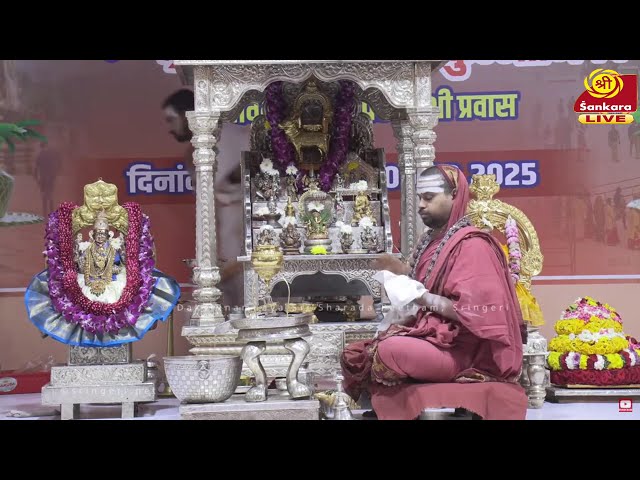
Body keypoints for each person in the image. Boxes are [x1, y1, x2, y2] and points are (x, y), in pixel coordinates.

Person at [340, 165, 527, 420]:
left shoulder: (473, 246)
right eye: (419, 198)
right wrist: (401, 273)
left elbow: (472, 314)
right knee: (353, 351)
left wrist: (420, 296)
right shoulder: (431, 240)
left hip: (463, 353)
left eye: (429, 198)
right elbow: (422, 286)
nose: (420, 205)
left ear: (454, 195)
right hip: (432, 338)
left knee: (388, 351)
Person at [162, 89, 248, 311]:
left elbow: (232, 184)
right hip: (217, 245)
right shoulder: (194, 150)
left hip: (242, 241)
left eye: (172, 119)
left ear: (188, 114)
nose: (170, 129)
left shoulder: (230, 137)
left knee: (247, 309)